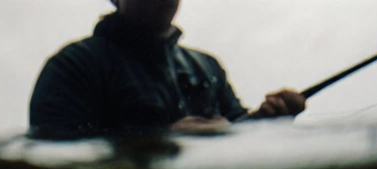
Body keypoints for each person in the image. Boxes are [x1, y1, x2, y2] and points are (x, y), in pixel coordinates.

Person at [29, 0, 306, 139]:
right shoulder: (72, 66)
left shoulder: (209, 67)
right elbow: (55, 161)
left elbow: (238, 129)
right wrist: (163, 143)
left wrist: (269, 118)